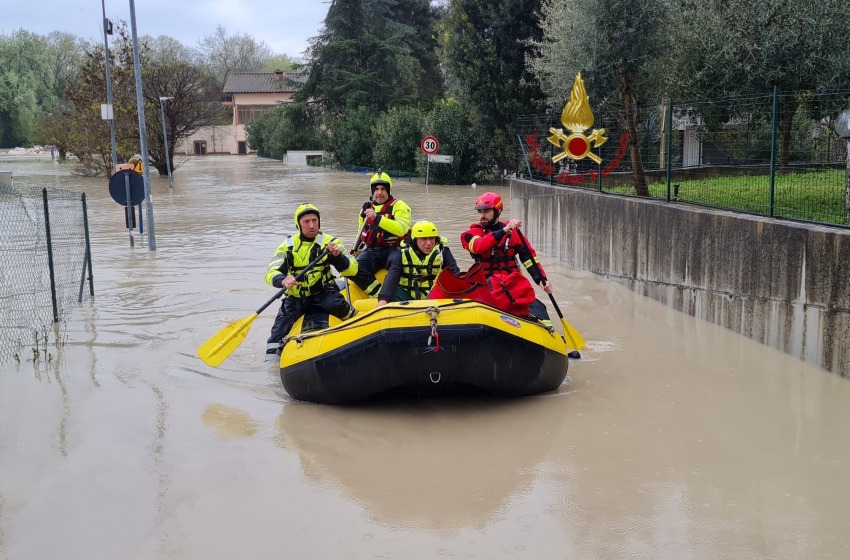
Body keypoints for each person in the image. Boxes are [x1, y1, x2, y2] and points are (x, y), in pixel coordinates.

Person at [264, 203, 358, 362]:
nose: (312, 225)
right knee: (278, 330)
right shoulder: (287, 246)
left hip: (323, 293)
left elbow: (353, 269)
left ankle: (356, 322)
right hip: (296, 297)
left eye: (315, 220)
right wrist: (283, 279)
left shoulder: (330, 242)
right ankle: (271, 363)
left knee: (335, 305)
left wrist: (337, 256)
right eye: (306, 222)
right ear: (299, 225)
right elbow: (270, 272)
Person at [460, 191, 552, 324]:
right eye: (480, 212)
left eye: (486, 211)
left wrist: (542, 280)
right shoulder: (471, 234)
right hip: (486, 285)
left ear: (497, 211)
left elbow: (529, 258)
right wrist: (505, 230)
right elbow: (479, 246)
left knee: (540, 309)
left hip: (512, 284)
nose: (482, 216)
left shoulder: (514, 232)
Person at [350, 171, 412, 307]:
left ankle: (384, 299)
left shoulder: (399, 206)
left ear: (389, 190)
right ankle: (377, 292)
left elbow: (401, 229)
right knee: (352, 267)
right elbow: (361, 231)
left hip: (393, 249)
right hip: (372, 250)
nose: (379, 193)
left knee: (397, 263)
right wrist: (355, 248)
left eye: (383, 189)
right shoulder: (366, 209)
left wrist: (377, 218)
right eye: (376, 189)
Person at [397, 220, 461, 300]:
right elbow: (392, 277)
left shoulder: (443, 252)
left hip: (435, 298)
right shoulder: (401, 253)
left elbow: (455, 275)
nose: (429, 243)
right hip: (407, 298)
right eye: (424, 239)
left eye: (431, 238)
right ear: (415, 240)